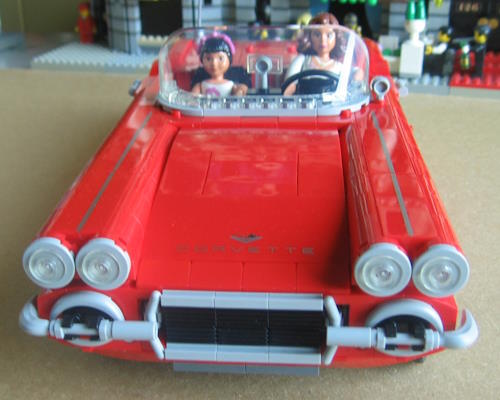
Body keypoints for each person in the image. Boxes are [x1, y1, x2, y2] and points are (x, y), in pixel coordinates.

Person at [283, 12, 343, 95]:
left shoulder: (339, 65)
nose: (323, 40)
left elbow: (351, 81)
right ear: (309, 36)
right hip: (305, 100)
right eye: (317, 35)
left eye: (329, 35)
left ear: (336, 37)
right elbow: (289, 86)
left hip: (331, 102)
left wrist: (357, 74)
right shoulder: (303, 60)